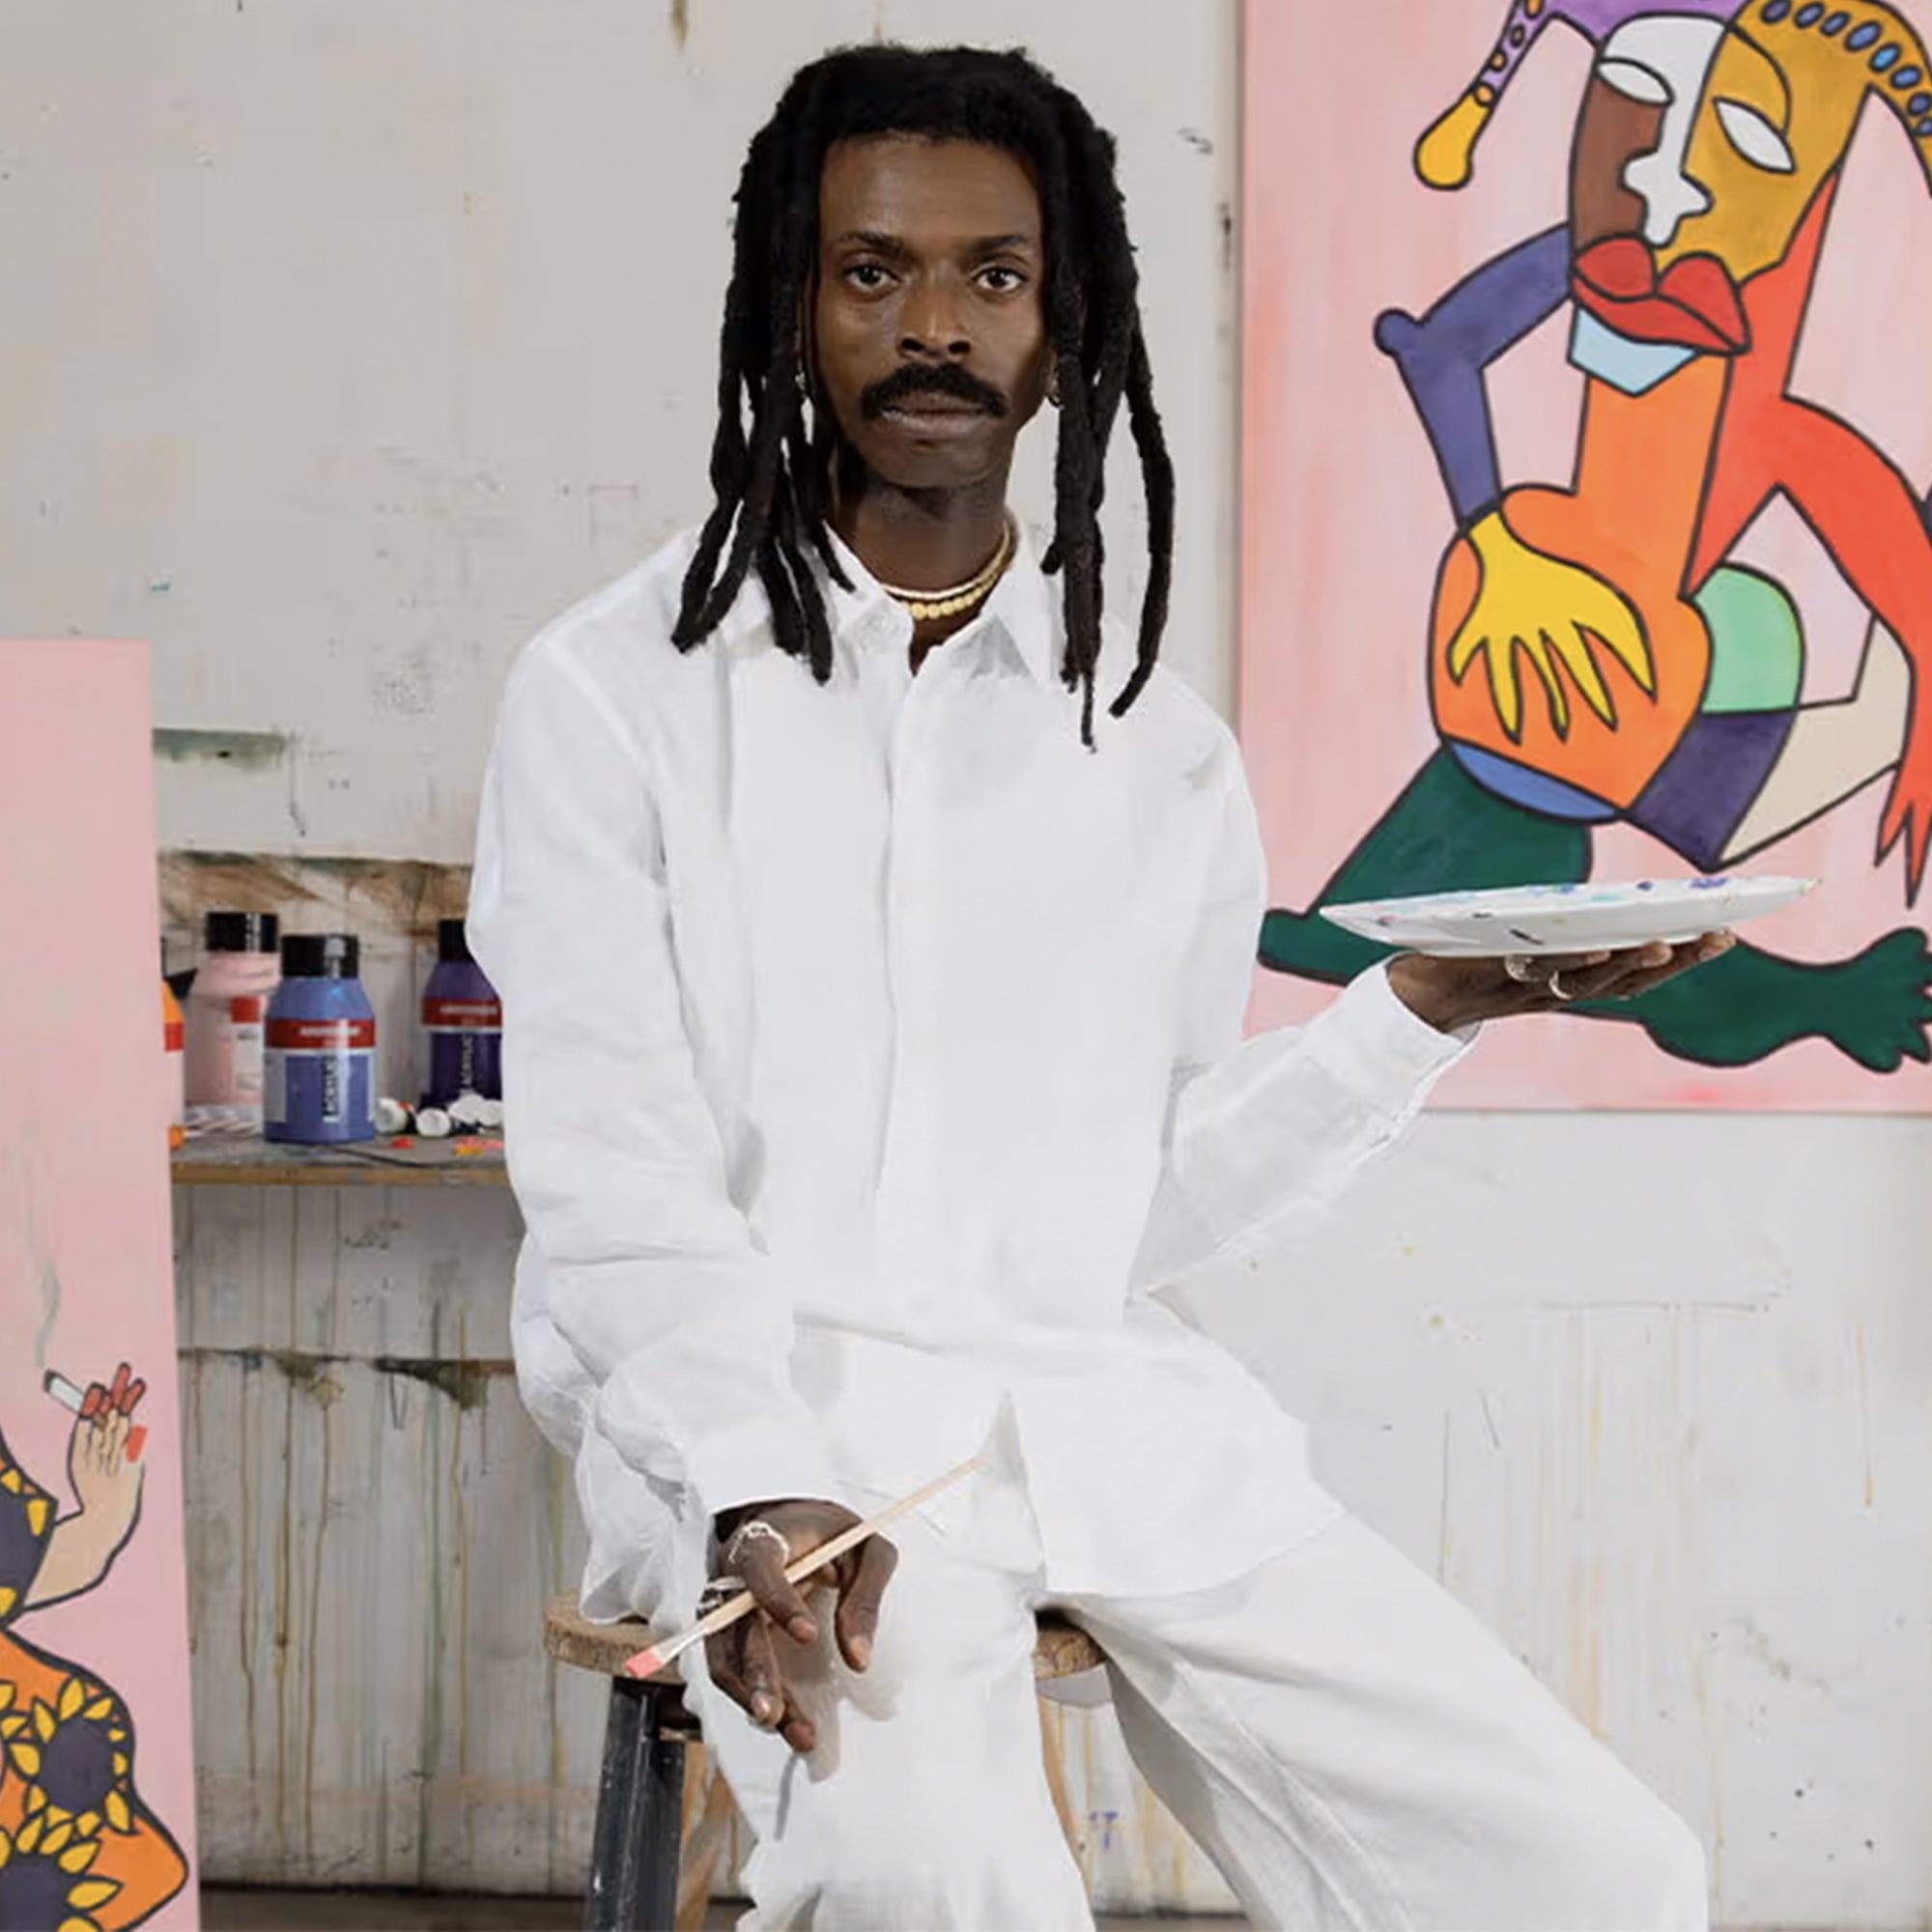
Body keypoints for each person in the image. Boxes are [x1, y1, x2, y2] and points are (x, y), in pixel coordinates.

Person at [470, 43, 1727, 1930]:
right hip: (786, 1438)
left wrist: (1420, 1007)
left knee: (1598, 1874)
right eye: (872, 271)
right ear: (790, 307)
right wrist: (749, 1481)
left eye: (995, 275)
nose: (935, 326)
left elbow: (1140, 1204)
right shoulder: (608, 698)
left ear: (1067, 326)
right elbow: (613, 1178)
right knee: (933, 1882)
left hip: (1113, 1422)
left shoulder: (1154, 749)